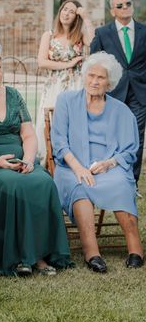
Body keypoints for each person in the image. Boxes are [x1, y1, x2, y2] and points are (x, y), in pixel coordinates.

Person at [0, 49, 71, 276]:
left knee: (43, 181)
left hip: (19, 159)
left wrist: (28, 160)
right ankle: (18, 256)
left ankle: (40, 255)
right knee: (11, 184)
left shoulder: (14, 95)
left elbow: (28, 135)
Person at [51, 52, 143, 271]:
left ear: (109, 82)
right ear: (84, 76)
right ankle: (92, 253)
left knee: (121, 183)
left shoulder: (121, 110)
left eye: (100, 77)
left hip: (107, 166)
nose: (94, 81)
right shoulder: (66, 101)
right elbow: (59, 142)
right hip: (71, 166)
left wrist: (110, 163)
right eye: (91, 75)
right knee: (80, 187)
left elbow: (130, 149)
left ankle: (135, 248)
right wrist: (78, 167)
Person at [91, 0, 146, 186]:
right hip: (114, 94)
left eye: (128, 4)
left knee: (136, 137)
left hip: (140, 95)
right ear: (112, 11)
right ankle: (112, 179)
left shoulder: (144, 31)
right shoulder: (103, 33)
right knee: (112, 137)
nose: (125, 7)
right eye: (120, 5)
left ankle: (132, 182)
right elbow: (94, 61)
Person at [36, 0, 94, 164]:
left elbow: (95, 42)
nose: (66, 13)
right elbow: (42, 62)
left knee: (73, 123)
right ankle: (48, 161)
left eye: (71, 11)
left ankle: (71, 160)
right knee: (49, 123)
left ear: (76, 17)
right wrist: (68, 64)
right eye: (64, 9)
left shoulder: (80, 36)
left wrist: (86, 17)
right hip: (54, 86)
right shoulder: (49, 35)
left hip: (75, 85)